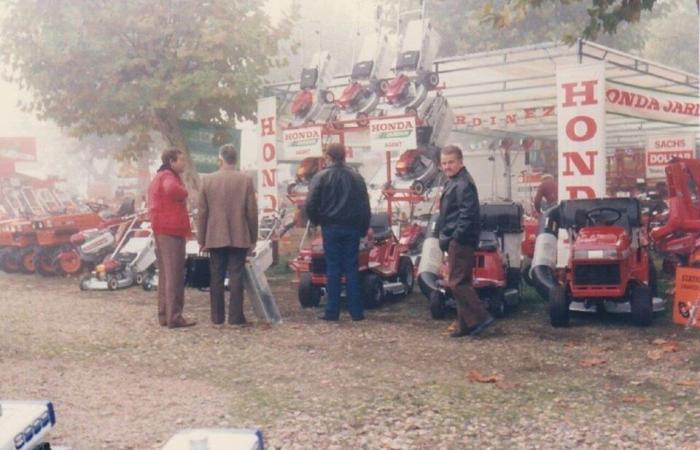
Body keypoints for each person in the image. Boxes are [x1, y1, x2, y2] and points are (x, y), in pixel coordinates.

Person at [305, 143, 371, 322]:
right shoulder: (357, 177)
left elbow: (310, 203)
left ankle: (332, 311)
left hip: (331, 227)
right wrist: (363, 228)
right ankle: (356, 312)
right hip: (352, 228)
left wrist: (317, 220)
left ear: (329, 157)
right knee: (351, 268)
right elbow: (365, 206)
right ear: (344, 156)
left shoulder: (321, 177)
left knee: (332, 268)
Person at [196, 144, 258, 325]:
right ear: (235, 160)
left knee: (216, 276)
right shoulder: (246, 180)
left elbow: (202, 212)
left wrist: (201, 238)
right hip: (239, 234)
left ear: (220, 159)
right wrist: (253, 237)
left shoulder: (207, 180)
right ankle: (236, 317)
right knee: (236, 276)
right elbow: (251, 212)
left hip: (215, 235)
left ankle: (217, 317)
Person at [436, 145, 494, 337]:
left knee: (456, 283)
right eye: (444, 163)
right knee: (463, 281)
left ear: (460, 162)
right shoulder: (455, 181)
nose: (447, 166)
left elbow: (467, 214)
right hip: (458, 239)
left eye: (450, 162)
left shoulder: (462, 183)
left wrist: (455, 237)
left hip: (460, 240)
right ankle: (464, 325)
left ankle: (480, 317)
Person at [148, 148, 196, 328]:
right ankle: (175, 317)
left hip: (161, 230)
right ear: (171, 161)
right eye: (181, 160)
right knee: (174, 275)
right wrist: (184, 192)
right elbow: (172, 190)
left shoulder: (158, 176)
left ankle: (164, 314)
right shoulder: (169, 176)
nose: (183, 163)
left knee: (165, 276)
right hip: (172, 230)